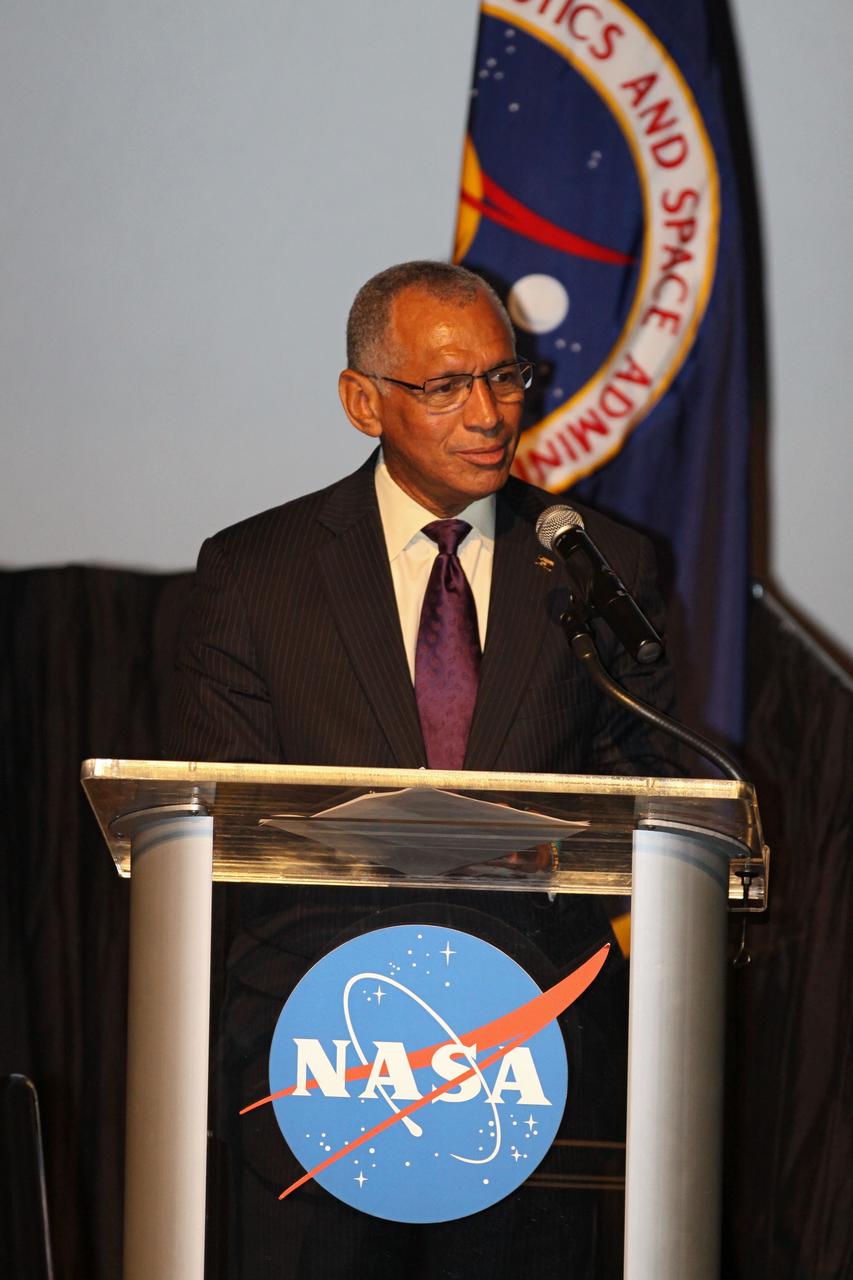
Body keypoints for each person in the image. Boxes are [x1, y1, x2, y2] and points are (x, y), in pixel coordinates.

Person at [166, 261, 682, 1280]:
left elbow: (655, 784)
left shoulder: (594, 560)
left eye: (504, 378)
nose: (488, 414)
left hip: (535, 1054)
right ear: (364, 400)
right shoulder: (254, 571)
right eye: (446, 386)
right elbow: (218, 829)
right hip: (318, 1048)